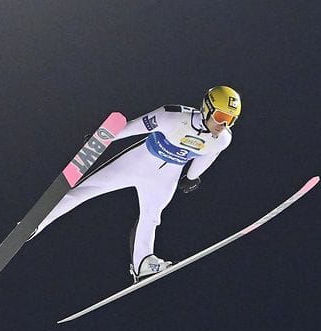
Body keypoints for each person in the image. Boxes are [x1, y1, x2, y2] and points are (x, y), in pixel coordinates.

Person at [32, 86, 241, 282]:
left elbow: (208, 154)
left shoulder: (222, 139)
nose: (223, 125)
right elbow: (136, 126)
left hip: (165, 178)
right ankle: (36, 223)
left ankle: (143, 264)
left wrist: (192, 176)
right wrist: (105, 138)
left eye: (230, 120)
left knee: (152, 216)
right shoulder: (172, 117)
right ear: (207, 108)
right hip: (137, 163)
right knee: (83, 192)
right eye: (221, 117)